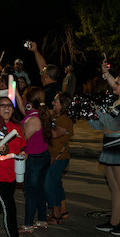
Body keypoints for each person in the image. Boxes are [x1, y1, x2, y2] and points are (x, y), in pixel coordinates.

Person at [88, 60, 120, 235]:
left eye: (117, 83)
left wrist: (99, 111)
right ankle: (115, 221)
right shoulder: (115, 103)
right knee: (115, 188)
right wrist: (88, 114)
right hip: (109, 149)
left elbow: (115, 123)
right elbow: (101, 126)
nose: (114, 85)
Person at [0, 91, 31, 237]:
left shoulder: (17, 126)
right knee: (10, 207)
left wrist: (22, 154)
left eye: (9, 106)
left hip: (13, 174)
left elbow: (21, 147)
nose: (7, 108)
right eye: (2, 105)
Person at [20, 86, 53, 232]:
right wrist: (14, 89)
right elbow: (22, 107)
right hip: (42, 156)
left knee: (30, 191)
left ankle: (28, 224)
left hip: (34, 159)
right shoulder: (38, 114)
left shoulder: (33, 119)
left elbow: (23, 140)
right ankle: (42, 220)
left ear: (29, 101)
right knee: (39, 189)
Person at [46, 92, 74, 223]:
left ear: (63, 104)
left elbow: (55, 134)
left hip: (58, 157)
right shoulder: (56, 117)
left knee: (50, 184)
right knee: (56, 184)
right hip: (55, 155)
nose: (53, 103)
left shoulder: (64, 120)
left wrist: (40, 124)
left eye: (56, 101)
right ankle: (63, 211)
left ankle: (56, 215)